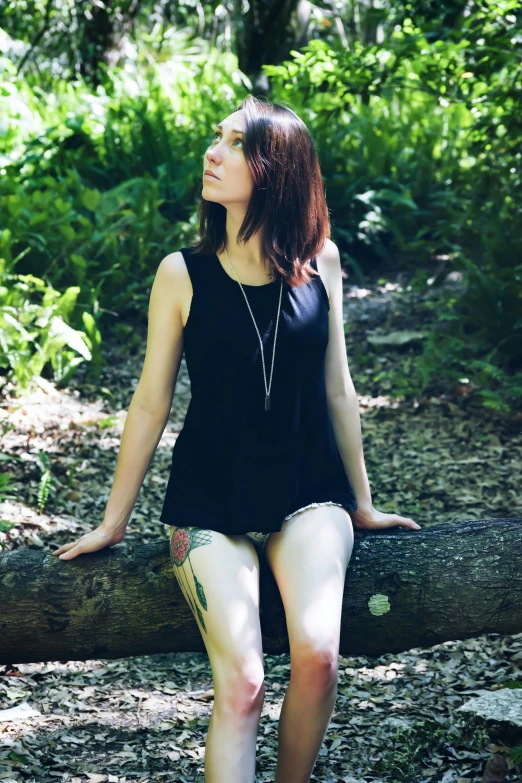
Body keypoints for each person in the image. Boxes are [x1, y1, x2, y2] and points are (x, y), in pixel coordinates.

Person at [52, 94, 421, 783]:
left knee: (316, 654)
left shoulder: (323, 261)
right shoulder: (180, 273)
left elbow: (339, 389)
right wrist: (113, 521)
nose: (211, 154)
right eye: (213, 138)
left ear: (276, 168)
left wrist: (362, 503)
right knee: (245, 681)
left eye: (233, 143)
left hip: (310, 494)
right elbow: (148, 403)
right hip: (209, 501)